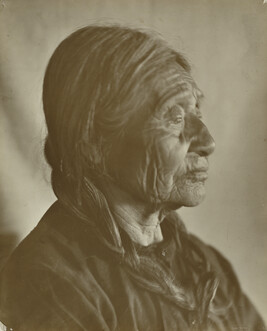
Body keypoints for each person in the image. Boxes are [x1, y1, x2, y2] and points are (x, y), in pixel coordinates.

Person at [0, 25, 265, 331]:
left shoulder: (203, 264)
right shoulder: (50, 282)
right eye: (174, 118)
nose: (207, 142)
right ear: (95, 147)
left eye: (197, 114)